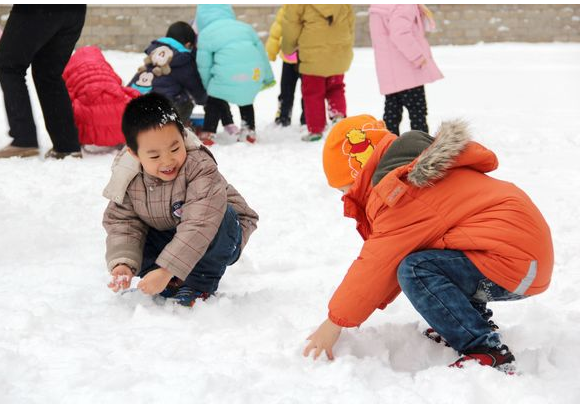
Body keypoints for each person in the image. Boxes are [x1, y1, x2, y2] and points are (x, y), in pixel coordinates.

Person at [304, 115, 553, 372]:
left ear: (358, 173)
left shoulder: (403, 191)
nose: (345, 196)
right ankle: (471, 321)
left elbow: (377, 264)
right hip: (524, 259)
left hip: (514, 264)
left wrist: (334, 323)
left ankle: (485, 348)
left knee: (415, 270)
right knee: (432, 255)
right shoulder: (415, 174)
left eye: (343, 188)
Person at [102, 93, 259, 306]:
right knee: (139, 231)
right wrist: (123, 263)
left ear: (183, 136)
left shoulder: (199, 166)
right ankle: (168, 280)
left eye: (175, 148)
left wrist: (168, 268)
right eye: (155, 156)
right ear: (135, 154)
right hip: (172, 230)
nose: (168, 160)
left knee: (218, 216)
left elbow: (200, 224)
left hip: (224, 232)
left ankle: (199, 283)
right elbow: (124, 223)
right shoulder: (128, 177)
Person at [0, 5, 86, 159]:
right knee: (48, 74)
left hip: (36, 9)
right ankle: (67, 146)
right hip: (75, 11)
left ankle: (23, 138)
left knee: (8, 66)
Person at [195, 4, 275, 145]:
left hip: (226, 77)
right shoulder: (245, 28)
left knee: (214, 100)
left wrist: (208, 85)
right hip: (252, 75)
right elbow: (262, 54)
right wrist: (268, 77)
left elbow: (204, 65)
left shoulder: (206, 34)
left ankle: (208, 132)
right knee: (246, 100)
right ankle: (249, 130)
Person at [282, 5, 354, 142]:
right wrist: (346, 46)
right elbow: (350, 22)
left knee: (313, 93)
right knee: (336, 88)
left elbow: (291, 24)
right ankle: (338, 116)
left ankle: (316, 130)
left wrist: (288, 47)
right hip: (337, 52)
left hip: (312, 54)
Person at [369, 4, 443, 135]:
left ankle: (388, 146)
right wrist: (417, 56)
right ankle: (420, 147)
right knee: (418, 113)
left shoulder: (380, 6)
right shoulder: (404, 5)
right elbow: (400, 34)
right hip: (408, 73)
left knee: (392, 114)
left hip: (391, 73)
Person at [128, 21, 208, 126]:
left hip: (133, 109)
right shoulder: (183, 58)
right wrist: (205, 100)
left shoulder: (154, 52)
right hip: (161, 114)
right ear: (188, 44)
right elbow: (195, 88)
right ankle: (174, 129)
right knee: (187, 103)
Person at [63, 46, 140, 154]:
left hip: (89, 127)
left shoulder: (70, 69)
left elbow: (66, 96)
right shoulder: (105, 67)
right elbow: (119, 82)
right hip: (120, 125)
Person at [265, 5, 305, 128]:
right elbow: (276, 32)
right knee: (287, 91)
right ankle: (284, 116)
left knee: (307, 92)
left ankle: (303, 117)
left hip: (305, 59)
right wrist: (270, 53)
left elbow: (276, 32)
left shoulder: (310, 10)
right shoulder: (286, 10)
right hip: (292, 58)